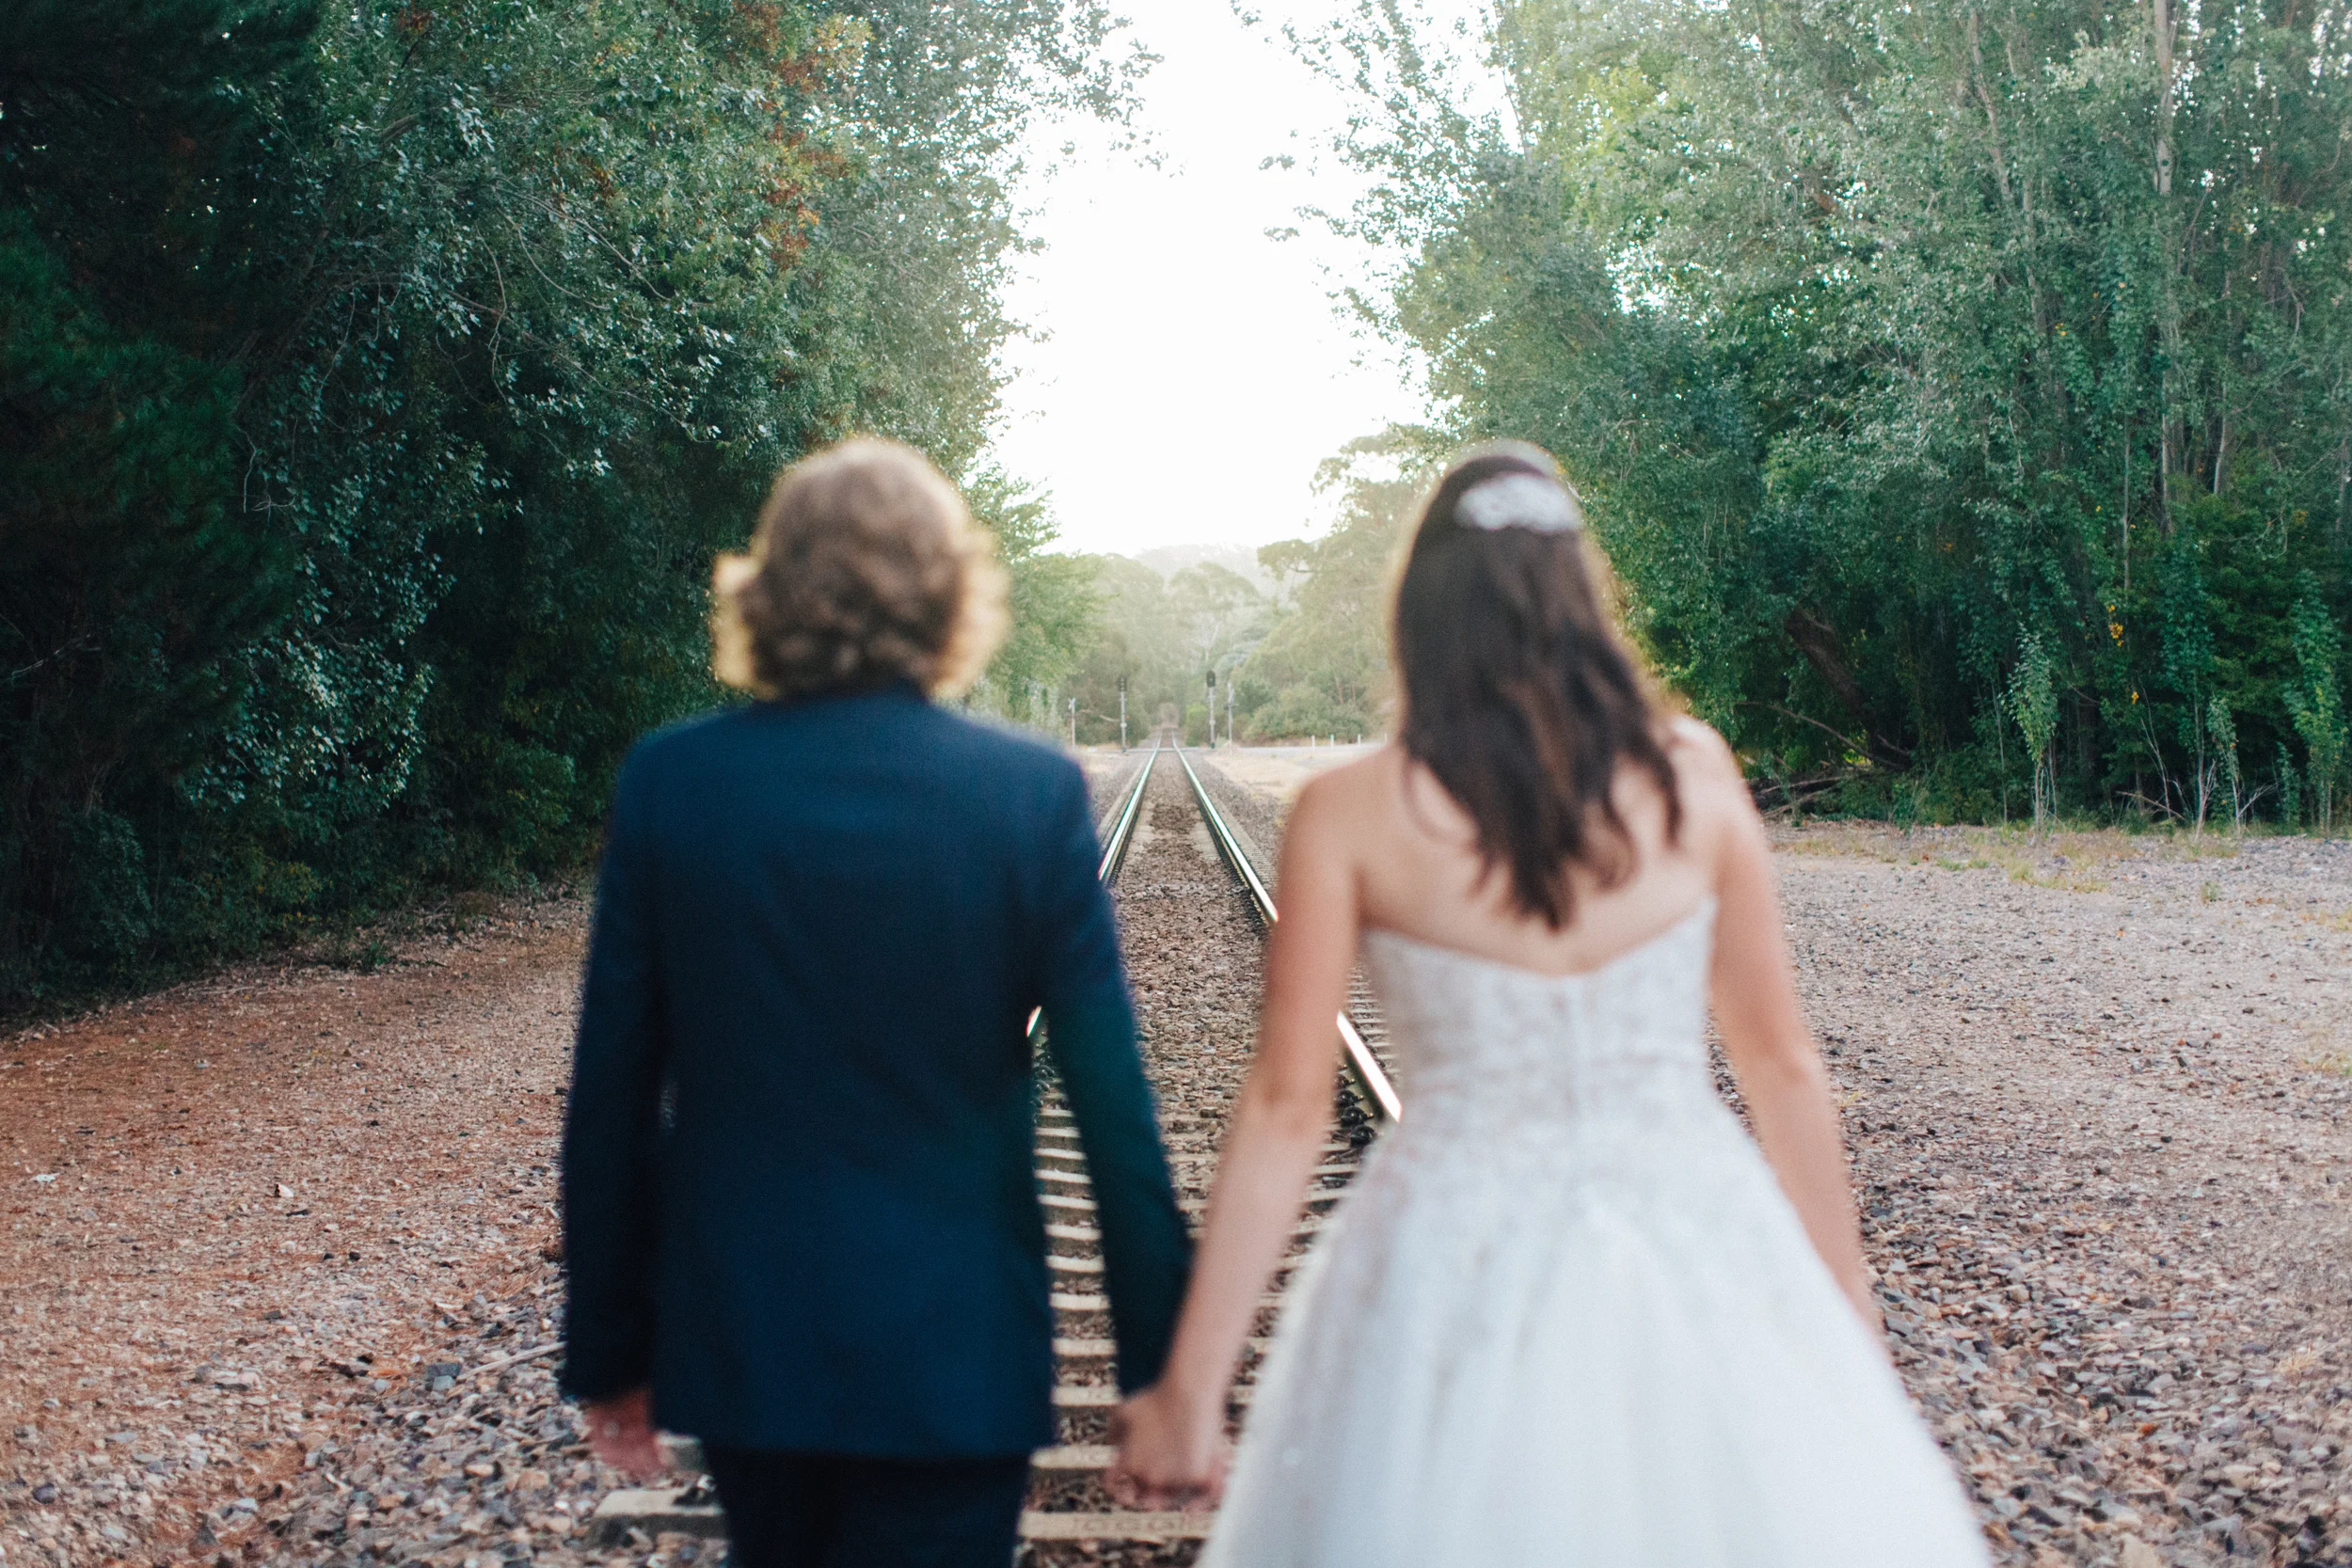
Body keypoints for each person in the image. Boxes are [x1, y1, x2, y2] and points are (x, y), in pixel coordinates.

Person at [1107, 444, 1988, 1565]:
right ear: (1581, 594)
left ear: (1421, 609)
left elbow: (1286, 1111)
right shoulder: (1694, 775)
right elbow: (1782, 1067)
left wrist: (1192, 1388)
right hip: (1692, 1230)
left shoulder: (1347, 811)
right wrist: (1844, 1308)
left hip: (1447, 1250)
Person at [560, 437, 1190, 1568]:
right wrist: (1158, 1370)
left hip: (753, 1336)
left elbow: (610, 1092)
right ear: (949, 593)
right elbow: (1113, 1111)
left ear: (770, 590)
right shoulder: (1027, 791)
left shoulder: (675, 782)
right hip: (956, 1342)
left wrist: (612, 1350)